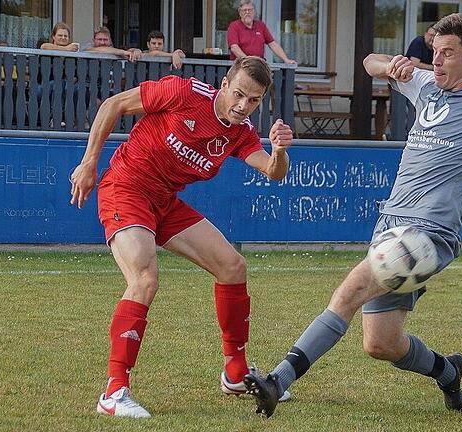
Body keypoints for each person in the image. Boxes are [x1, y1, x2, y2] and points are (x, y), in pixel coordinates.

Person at [243, 13, 462, 418]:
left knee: (349, 292)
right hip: (390, 222)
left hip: (430, 234)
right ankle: (448, 372)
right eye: (435, 52)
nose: (438, 61)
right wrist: (394, 64)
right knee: (382, 344)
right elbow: (368, 62)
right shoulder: (426, 82)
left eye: (448, 53)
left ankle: (277, 380)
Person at [69, 56, 294, 418]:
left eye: (253, 100)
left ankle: (236, 373)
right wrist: (89, 161)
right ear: (224, 84)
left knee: (233, 267)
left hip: (164, 203)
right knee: (144, 279)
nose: (242, 106)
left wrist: (280, 151)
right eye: (238, 94)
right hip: (126, 188)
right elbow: (114, 104)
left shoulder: (242, 132)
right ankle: (114, 392)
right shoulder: (183, 92)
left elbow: (273, 171)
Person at [226, 0, 296, 64]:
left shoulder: (261, 26)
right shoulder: (234, 26)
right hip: (240, 65)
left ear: (254, 12)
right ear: (240, 13)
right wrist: (248, 61)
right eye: (244, 10)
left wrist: (286, 59)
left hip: (258, 65)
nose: (247, 12)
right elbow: (234, 47)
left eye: (250, 10)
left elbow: (272, 44)